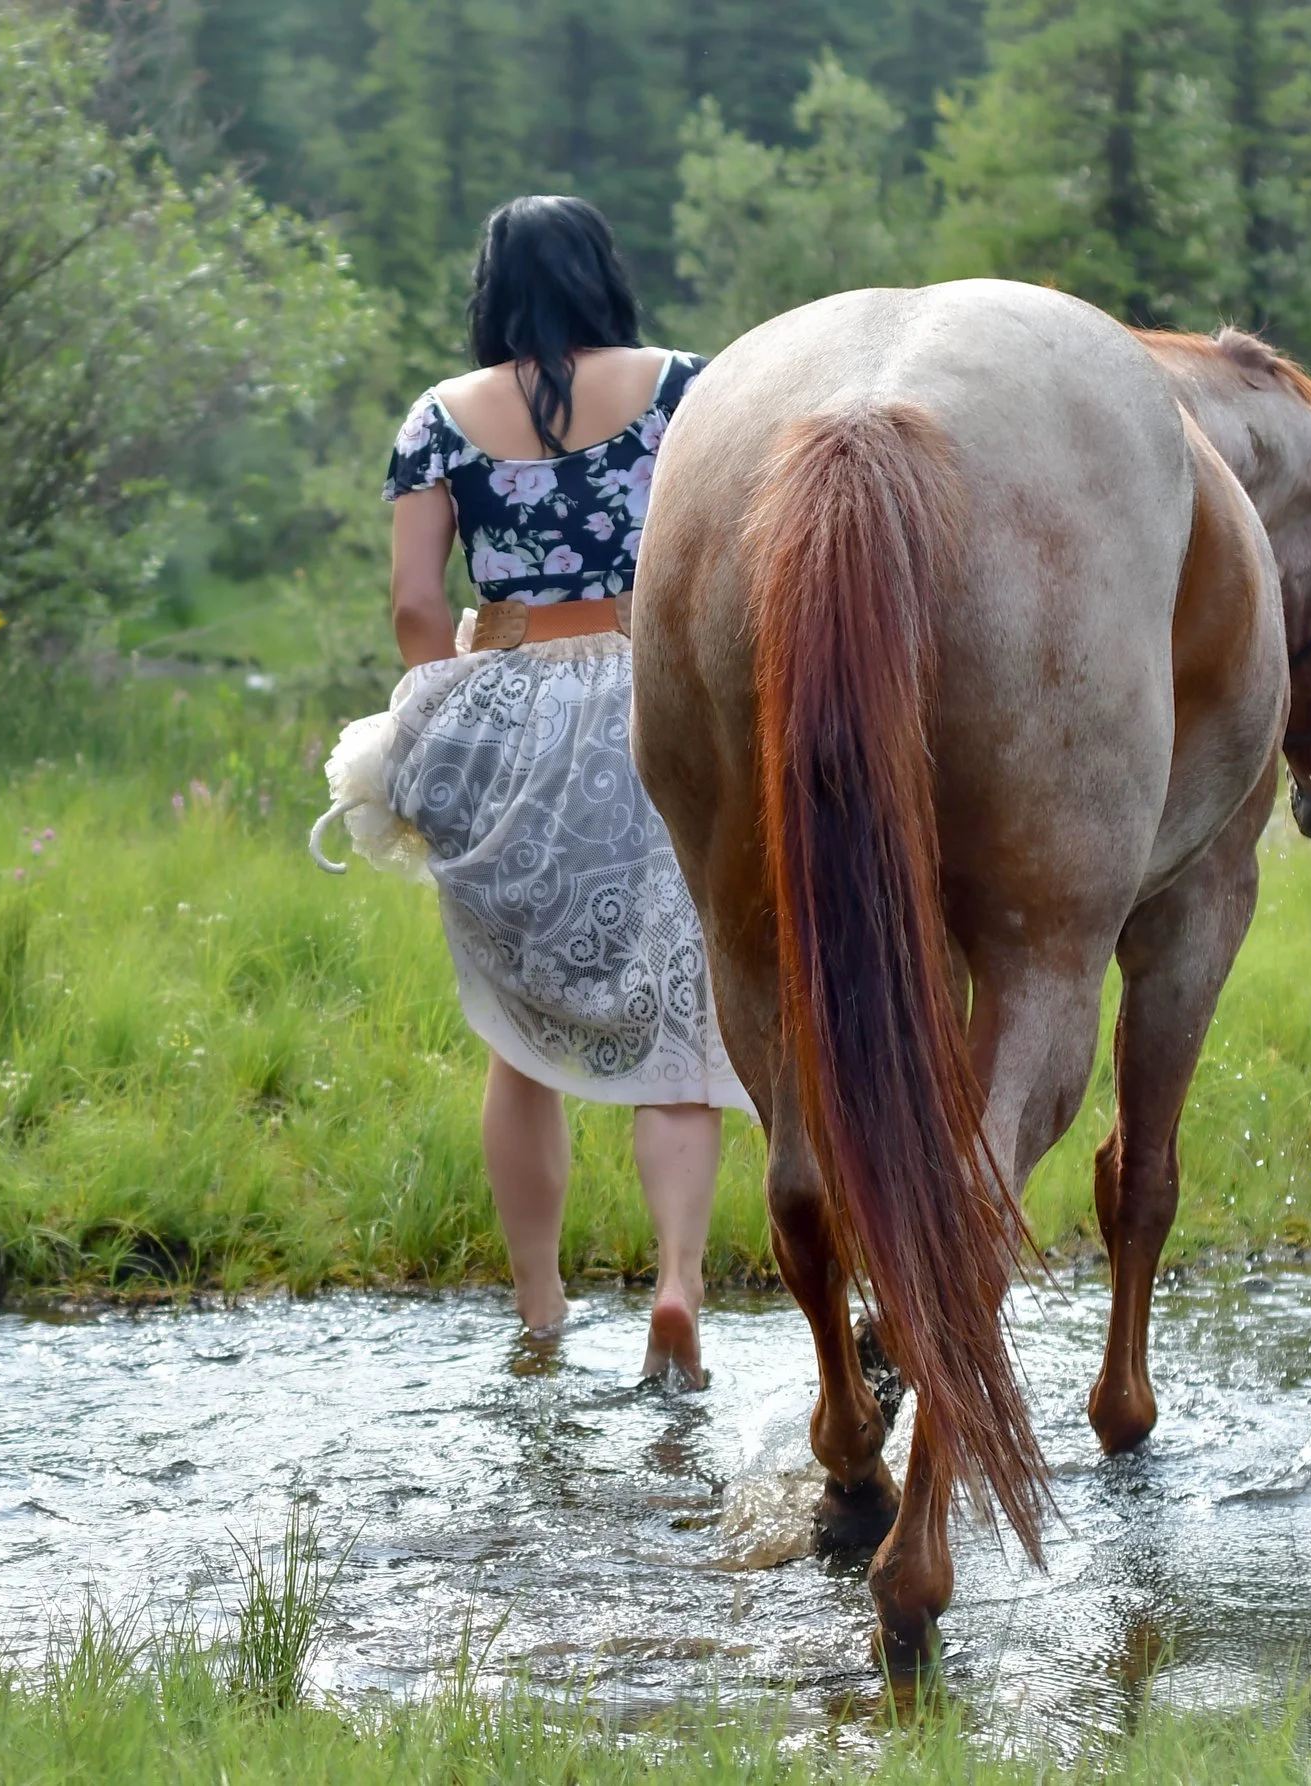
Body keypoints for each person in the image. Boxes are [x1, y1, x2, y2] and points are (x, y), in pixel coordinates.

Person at [370, 194, 751, 1388]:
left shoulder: (438, 418)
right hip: (658, 701)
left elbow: (415, 608)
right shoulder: (687, 385)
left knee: (518, 1032)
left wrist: (444, 720)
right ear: (603, 274)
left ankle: (541, 1311)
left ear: (491, 289)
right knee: (679, 1024)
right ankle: (677, 1286)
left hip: (507, 703)